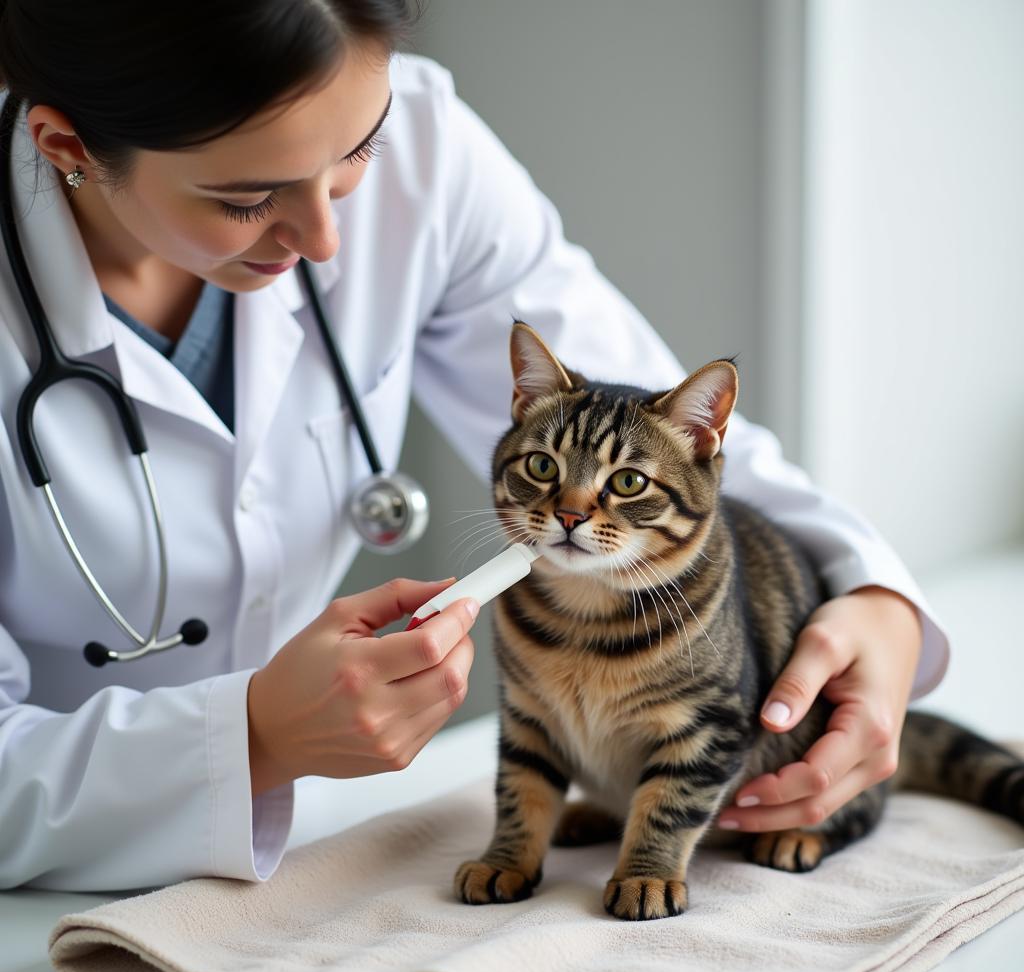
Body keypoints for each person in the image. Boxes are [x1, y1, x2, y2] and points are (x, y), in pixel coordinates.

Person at [0, 0, 948, 891]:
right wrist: (248, 739)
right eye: (248, 198)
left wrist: (873, 593)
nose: (327, 239)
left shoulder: (425, 145)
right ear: (67, 145)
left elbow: (660, 430)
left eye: (356, 154)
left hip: (329, 847)